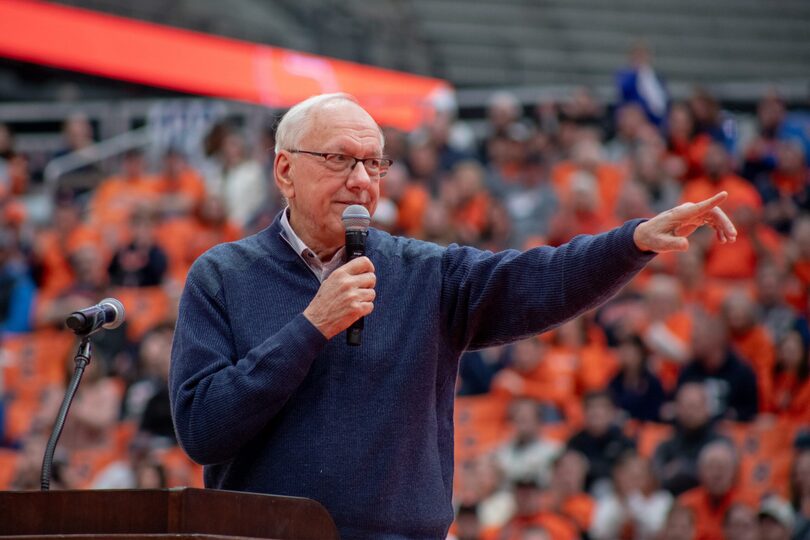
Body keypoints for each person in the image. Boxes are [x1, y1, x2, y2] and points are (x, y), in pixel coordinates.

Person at [169, 93, 736, 539]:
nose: (362, 180)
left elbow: (542, 278)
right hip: (260, 537)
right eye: (340, 159)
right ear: (285, 171)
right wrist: (310, 327)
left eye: (373, 163)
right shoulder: (222, 276)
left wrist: (631, 241)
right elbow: (203, 429)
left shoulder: (426, 273)